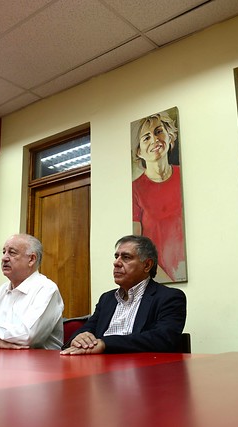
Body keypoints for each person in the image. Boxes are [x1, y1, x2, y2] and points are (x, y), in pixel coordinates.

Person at [61, 235, 186, 355]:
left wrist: (106, 344)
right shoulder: (107, 299)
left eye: (126, 257)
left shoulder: (169, 297)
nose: (116, 263)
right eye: (116, 256)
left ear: (147, 265)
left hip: (143, 370)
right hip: (100, 368)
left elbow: (163, 339)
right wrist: (80, 338)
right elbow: (88, 328)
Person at [0, 234, 64, 350]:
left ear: (31, 259)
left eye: (12, 253)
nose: (4, 258)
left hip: (37, 364)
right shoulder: (0, 291)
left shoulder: (46, 289)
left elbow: (28, 336)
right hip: (0, 361)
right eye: (4, 252)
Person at [132, 111, 186, 283]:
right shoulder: (136, 190)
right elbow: (138, 250)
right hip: (159, 281)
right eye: (146, 137)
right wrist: (168, 282)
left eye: (158, 131)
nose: (155, 140)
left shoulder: (186, 176)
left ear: (169, 136)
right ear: (139, 151)